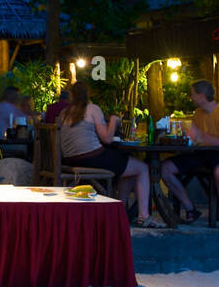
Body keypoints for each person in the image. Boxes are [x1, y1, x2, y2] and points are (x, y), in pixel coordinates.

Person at [58, 82, 163, 228]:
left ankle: (119, 211)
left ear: (71, 96)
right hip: (93, 158)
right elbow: (107, 138)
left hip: (70, 160)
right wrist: (114, 120)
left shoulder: (64, 113)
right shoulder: (93, 109)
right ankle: (144, 216)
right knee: (142, 168)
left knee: (127, 167)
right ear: (87, 95)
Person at [160, 80, 219, 229]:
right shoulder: (198, 113)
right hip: (202, 153)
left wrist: (201, 136)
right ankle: (190, 209)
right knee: (166, 168)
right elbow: (194, 138)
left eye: (193, 94)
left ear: (202, 96)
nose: (191, 97)